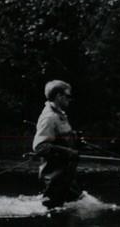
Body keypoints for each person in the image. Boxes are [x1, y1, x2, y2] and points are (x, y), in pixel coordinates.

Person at [32, 79, 84, 210]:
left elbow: (61, 139)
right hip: (54, 179)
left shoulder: (60, 115)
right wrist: (69, 152)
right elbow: (40, 147)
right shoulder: (49, 118)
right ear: (58, 96)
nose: (70, 99)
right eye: (68, 96)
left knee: (83, 206)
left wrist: (75, 140)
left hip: (67, 177)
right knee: (54, 215)